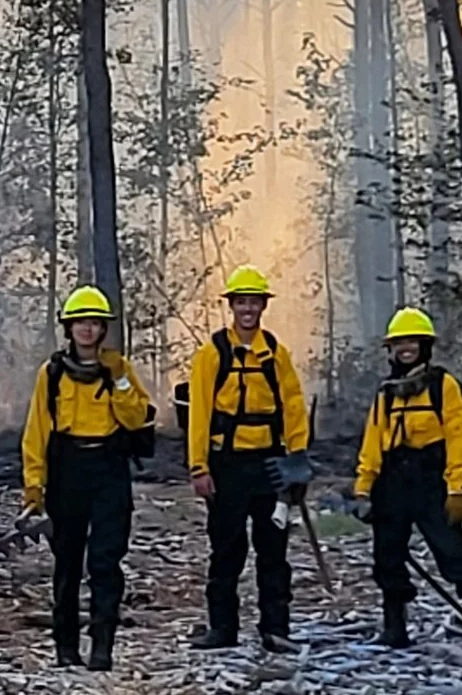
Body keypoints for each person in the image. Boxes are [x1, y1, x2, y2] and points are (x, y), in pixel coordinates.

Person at [20, 286, 153, 671]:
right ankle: (65, 647)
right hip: (67, 472)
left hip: (109, 470)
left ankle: (102, 646)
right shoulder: (53, 373)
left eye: (94, 323)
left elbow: (135, 418)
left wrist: (120, 381)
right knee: (67, 562)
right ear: (69, 327)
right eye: (81, 322)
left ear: (103, 329)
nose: (88, 330)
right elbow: (37, 432)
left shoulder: (120, 370)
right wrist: (34, 486)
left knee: (106, 561)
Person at [353, 308, 462, 648]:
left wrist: (456, 488)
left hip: (431, 483)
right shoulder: (386, 392)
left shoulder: (443, 386)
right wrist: (363, 489)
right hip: (391, 484)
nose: (406, 348)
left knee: (453, 556)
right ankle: (395, 628)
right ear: (390, 349)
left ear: (425, 345)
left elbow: (456, 438)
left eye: (412, 342)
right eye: (399, 343)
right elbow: (373, 442)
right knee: (387, 558)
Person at [185, 265, 309, 653]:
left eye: (253, 302)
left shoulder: (276, 354)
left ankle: (276, 627)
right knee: (226, 549)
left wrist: (298, 459)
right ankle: (222, 629)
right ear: (232, 306)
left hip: (270, 466)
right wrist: (199, 467)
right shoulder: (212, 354)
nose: (247, 309)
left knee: (273, 550)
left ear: (262, 306)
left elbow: (293, 406)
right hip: (227, 466)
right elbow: (199, 413)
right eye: (241, 302)